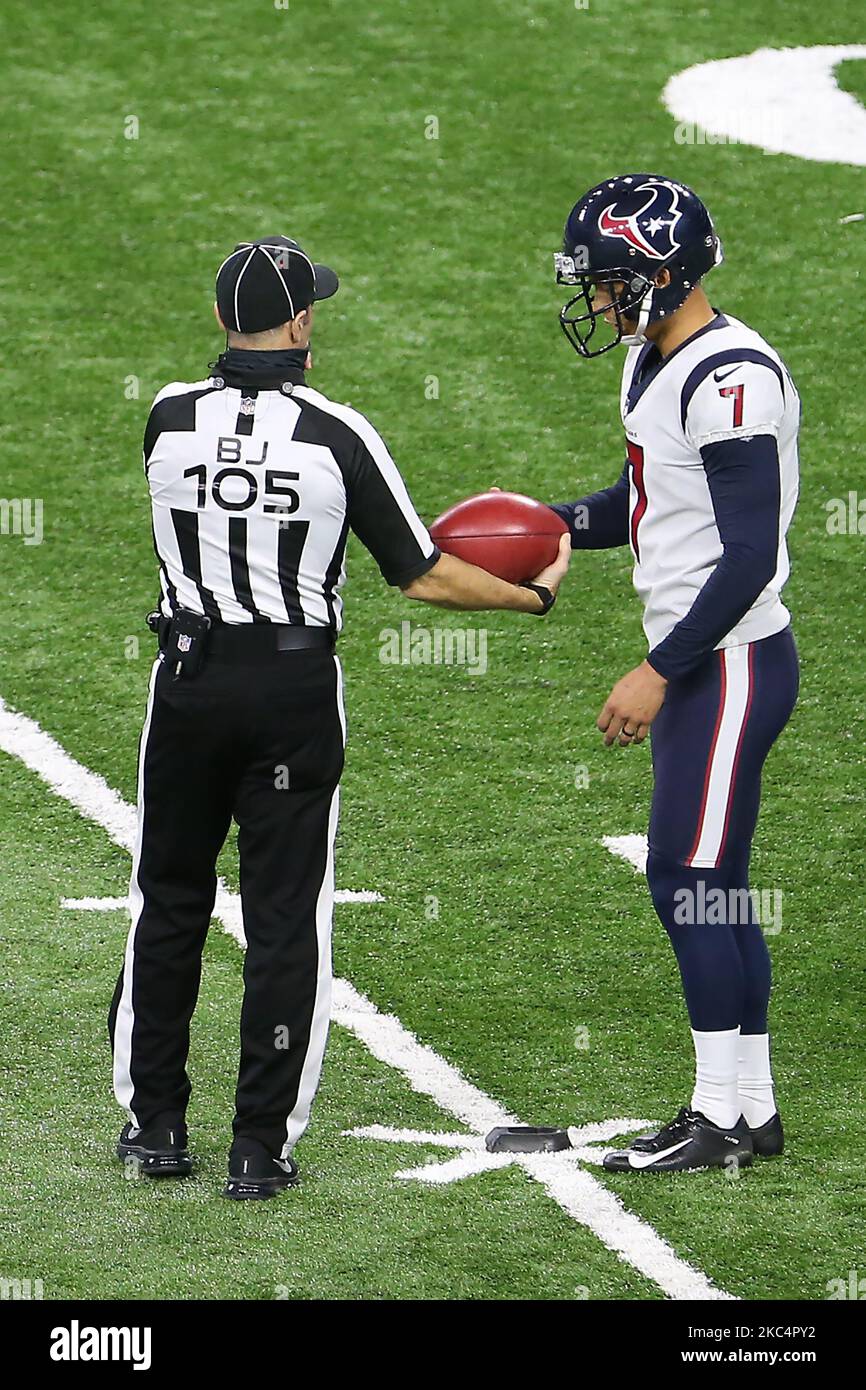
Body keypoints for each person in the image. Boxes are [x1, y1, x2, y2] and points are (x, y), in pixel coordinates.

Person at [109, 234, 570, 1199]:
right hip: (290, 693)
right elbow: (425, 572)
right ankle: (258, 1146)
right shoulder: (336, 435)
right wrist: (534, 597)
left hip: (188, 681)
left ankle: (154, 1127)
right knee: (286, 921)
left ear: (223, 321)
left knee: (168, 902)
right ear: (304, 320)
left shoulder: (164, 416)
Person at [550, 175, 800, 1172]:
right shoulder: (658, 362)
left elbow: (744, 554)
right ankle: (745, 1109)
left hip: (728, 662)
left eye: (608, 282)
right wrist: (546, 522)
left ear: (659, 273)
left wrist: (657, 668)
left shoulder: (728, 374)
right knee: (713, 886)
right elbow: (646, 499)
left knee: (687, 880)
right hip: (710, 659)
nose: (598, 300)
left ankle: (719, 1118)